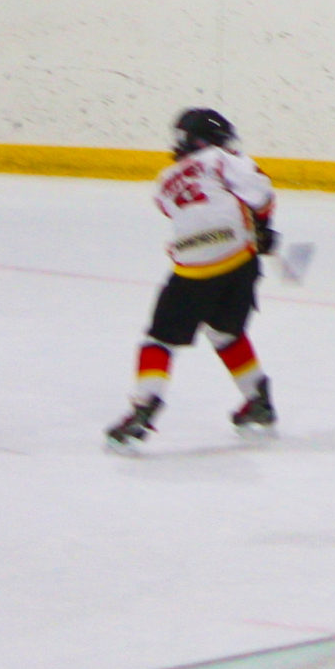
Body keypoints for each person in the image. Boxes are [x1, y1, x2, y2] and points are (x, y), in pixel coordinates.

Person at [105, 108, 278, 446]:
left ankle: (145, 404)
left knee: (159, 339)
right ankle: (258, 398)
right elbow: (261, 193)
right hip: (240, 259)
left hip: (194, 265)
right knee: (225, 331)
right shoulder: (223, 158)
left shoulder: (164, 180)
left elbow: (184, 212)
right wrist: (263, 228)